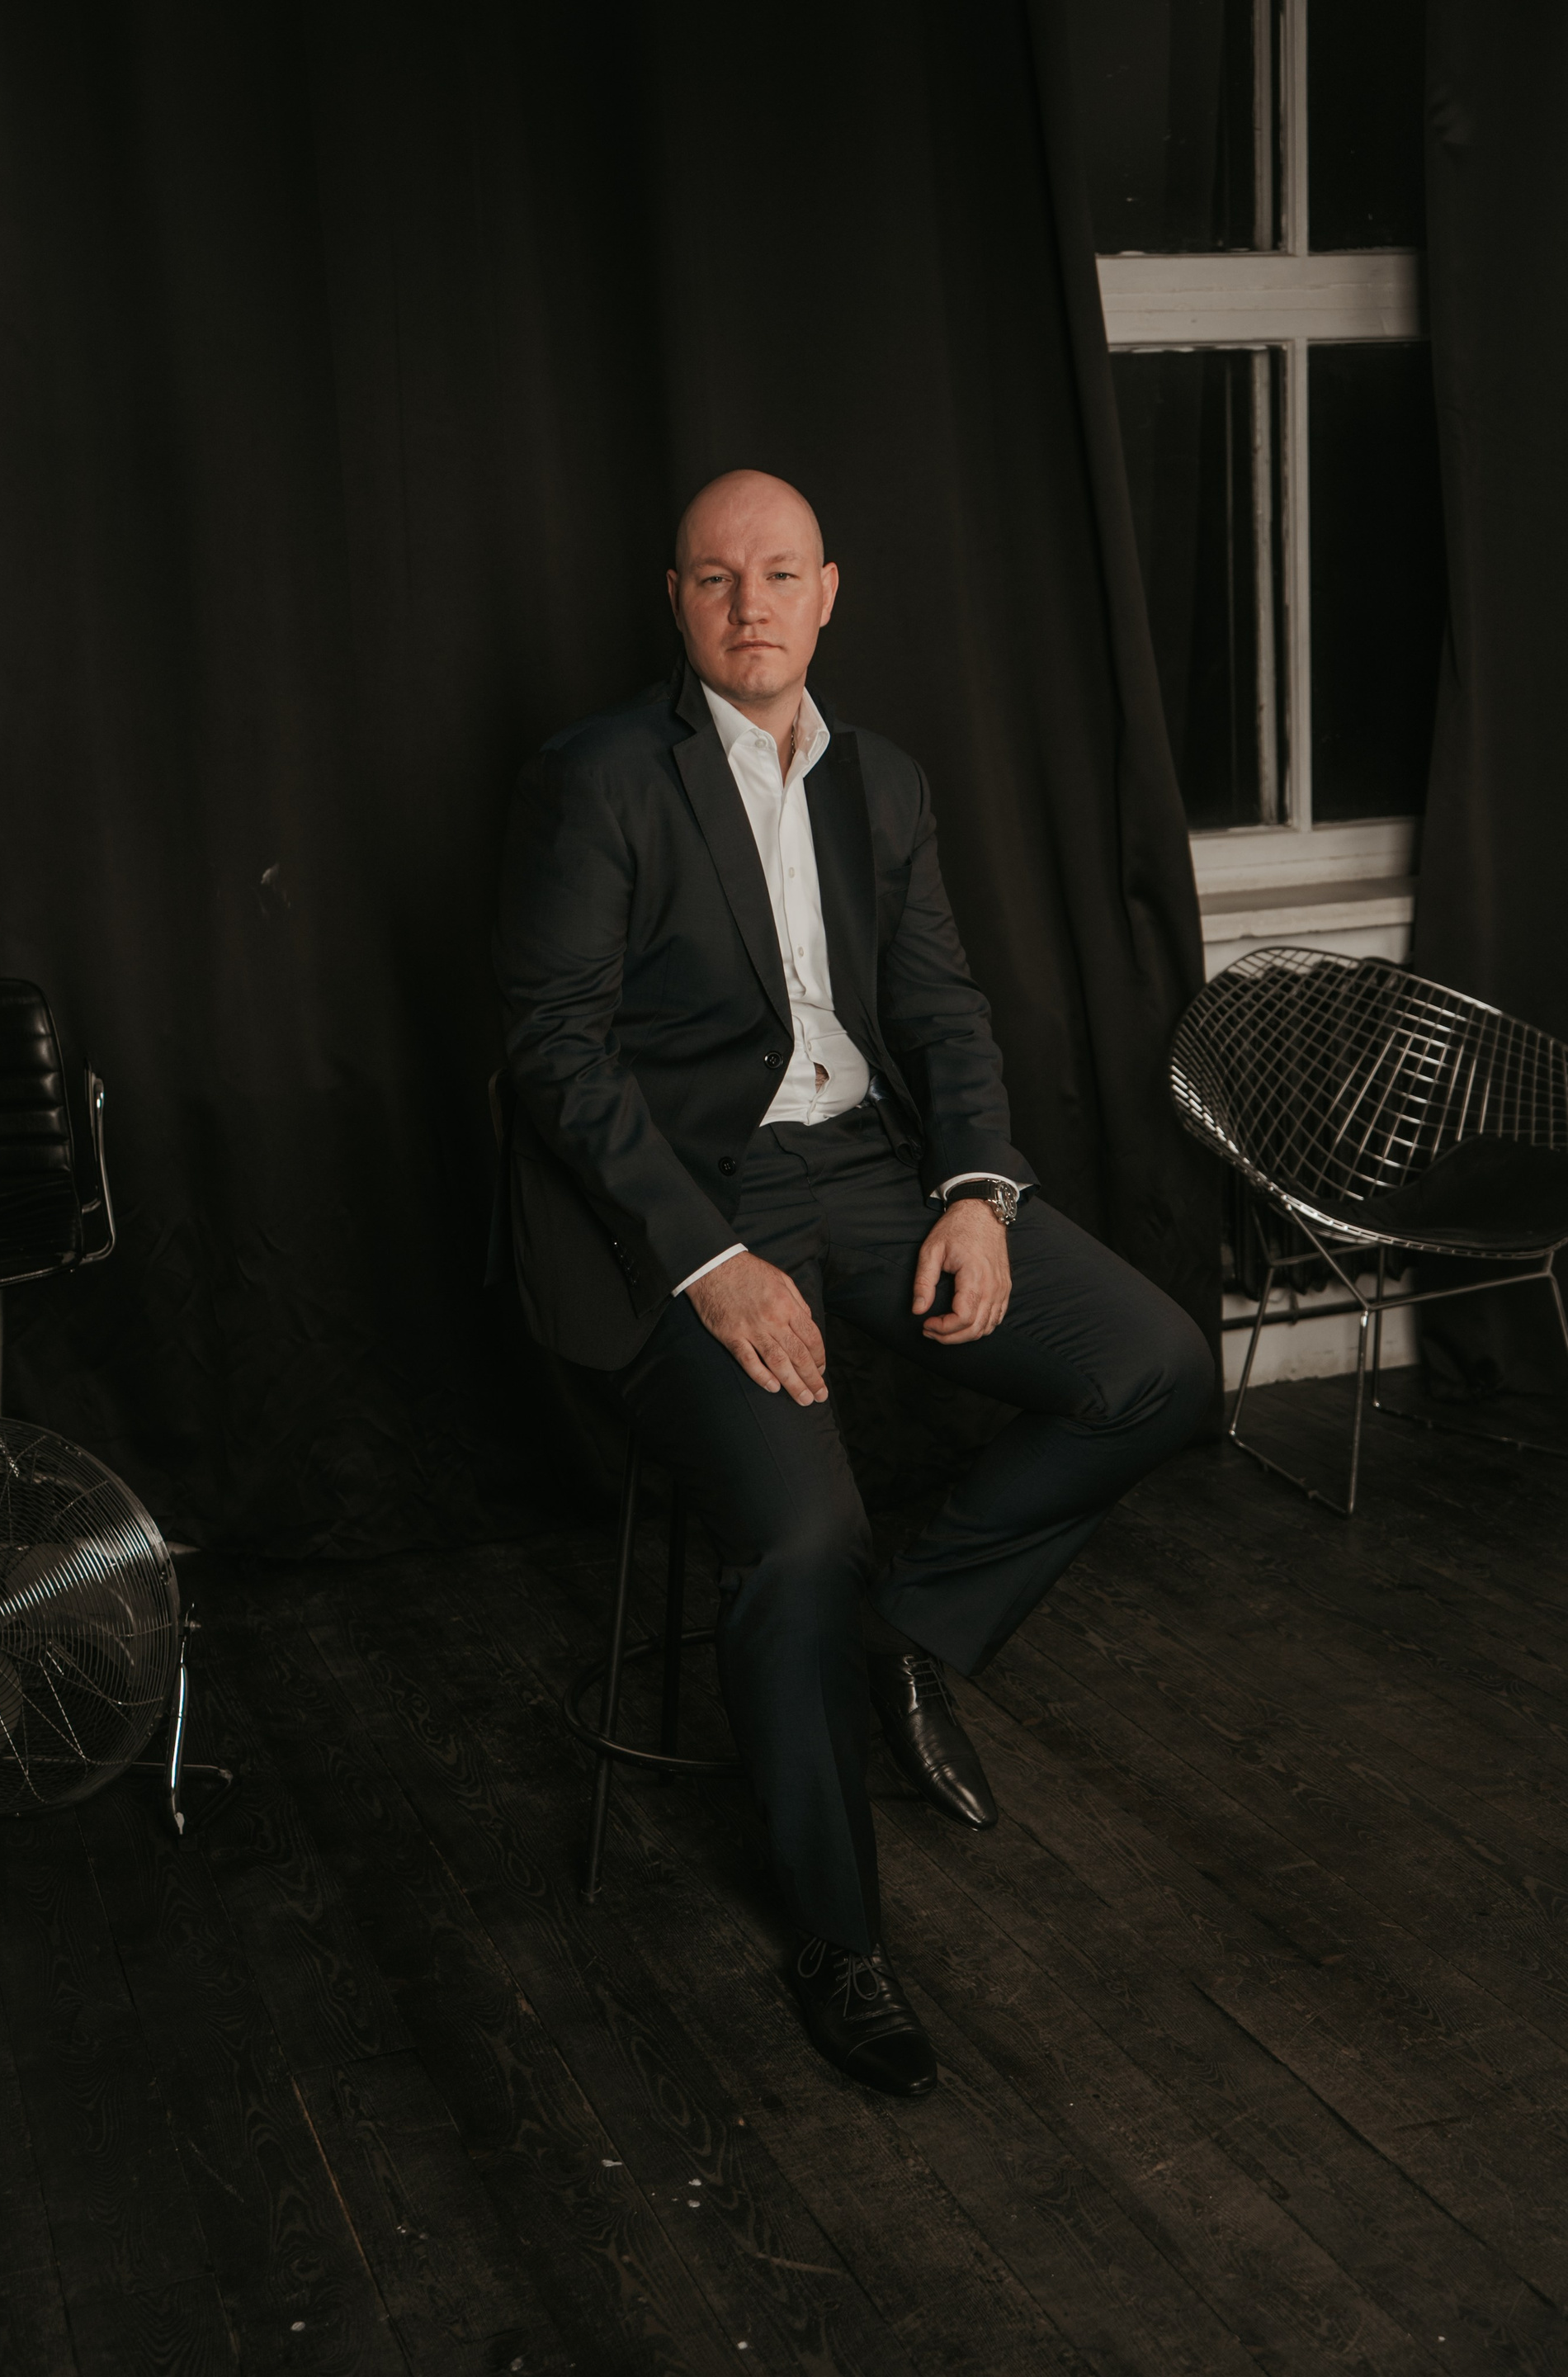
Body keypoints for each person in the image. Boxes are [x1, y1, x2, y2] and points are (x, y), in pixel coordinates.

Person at [494, 469, 1211, 2099]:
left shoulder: (881, 780)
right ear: (676, 601)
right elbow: (555, 1051)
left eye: (780, 575)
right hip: (690, 1204)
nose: (749, 605)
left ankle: (910, 1630)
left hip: (874, 1178)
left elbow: (944, 1009)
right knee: (805, 1536)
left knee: (1156, 1366)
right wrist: (711, 1260)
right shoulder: (597, 778)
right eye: (715, 578)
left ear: (830, 594)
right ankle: (837, 1939)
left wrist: (976, 1192)